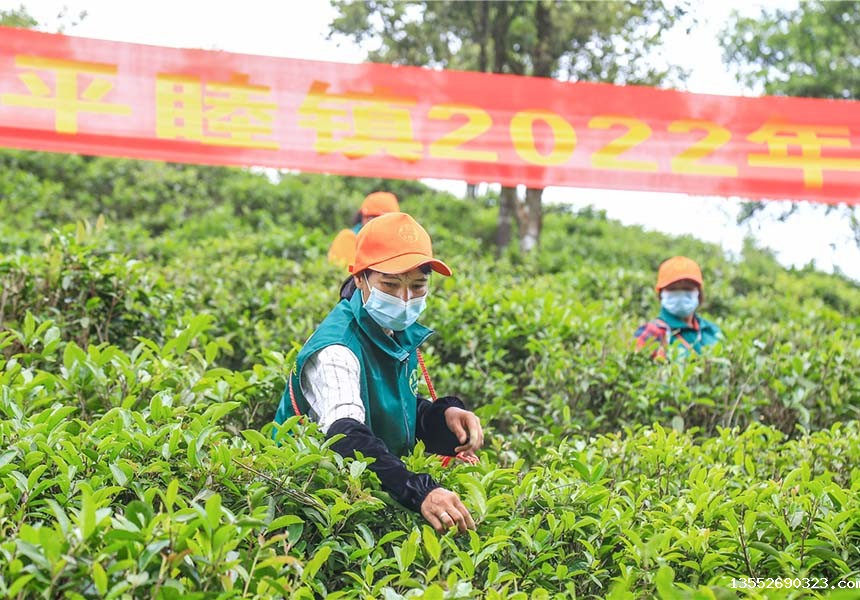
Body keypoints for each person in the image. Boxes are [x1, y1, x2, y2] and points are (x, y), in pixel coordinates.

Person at [276, 212, 483, 533]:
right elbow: (345, 434)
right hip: (305, 500)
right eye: (389, 284)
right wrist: (420, 490)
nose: (404, 300)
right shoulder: (337, 350)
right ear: (359, 279)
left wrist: (444, 419)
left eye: (417, 286)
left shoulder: (390, 329)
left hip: (363, 490)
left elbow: (389, 403)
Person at [634, 256, 722, 359]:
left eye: (687, 288)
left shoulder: (711, 330)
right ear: (661, 293)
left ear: (698, 292)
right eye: (672, 289)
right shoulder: (653, 332)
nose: (680, 295)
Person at [327, 191, 400, 267]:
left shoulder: (395, 244)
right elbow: (350, 274)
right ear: (364, 218)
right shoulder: (348, 238)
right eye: (372, 217)